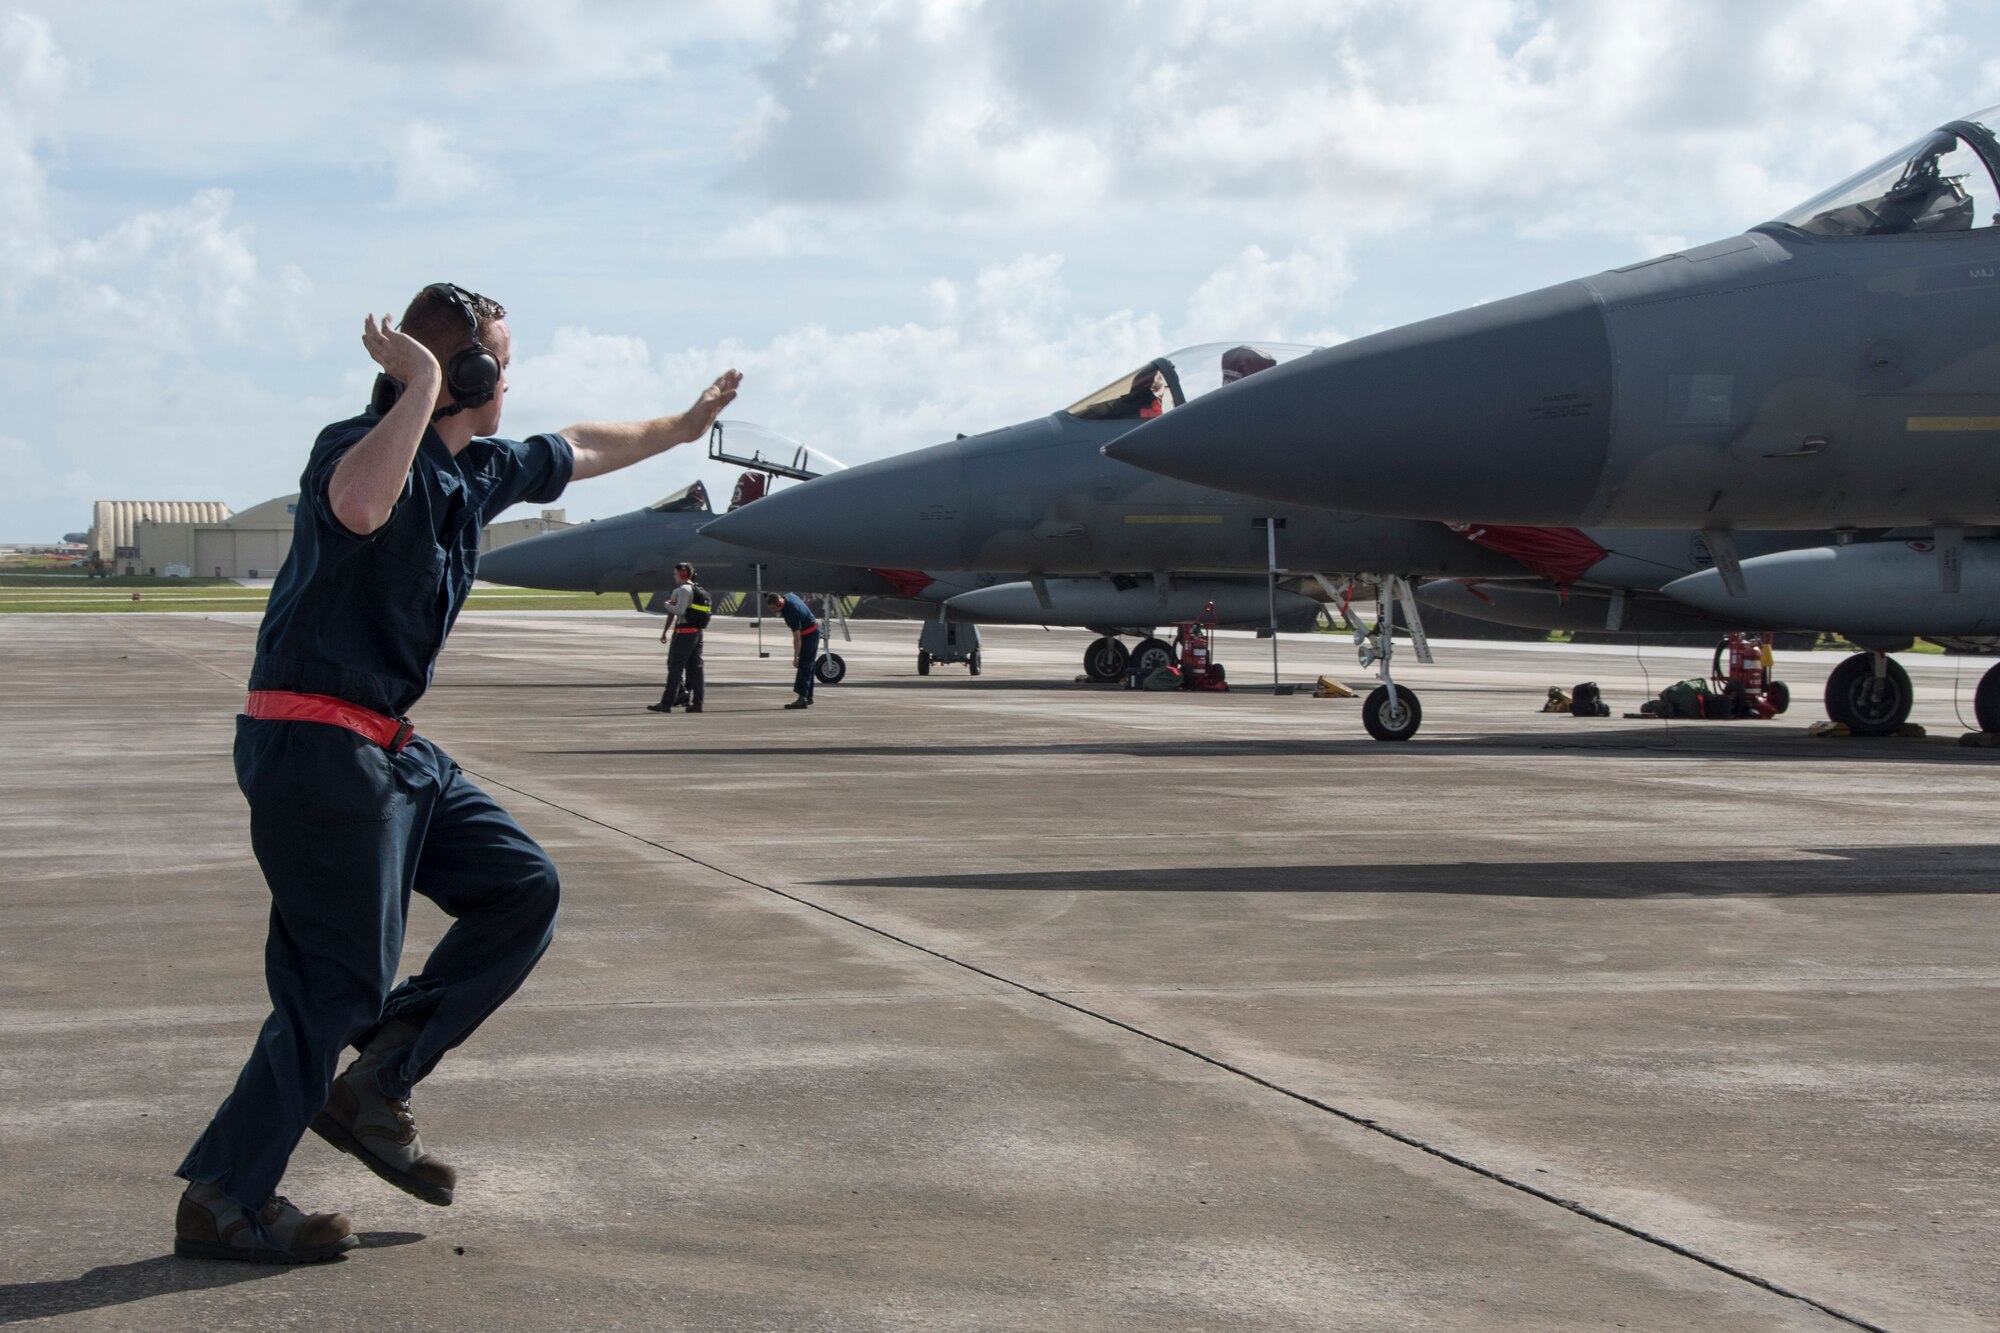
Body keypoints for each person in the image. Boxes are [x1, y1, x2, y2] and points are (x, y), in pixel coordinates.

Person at [172, 282, 739, 1263]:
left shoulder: (477, 472)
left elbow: (584, 444)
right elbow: (358, 503)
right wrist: (421, 382)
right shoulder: (351, 449)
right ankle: (226, 1195)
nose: (508, 385)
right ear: (464, 374)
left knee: (520, 885)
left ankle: (378, 1080)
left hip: (387, 747)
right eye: (499, 368)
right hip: (316, 743)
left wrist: (683, 427)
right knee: (333, 986)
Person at [648, 561, 708, 714]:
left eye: (675, 574)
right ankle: (698, 703)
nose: (674, 577)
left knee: (675, 667)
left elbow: (679, 610)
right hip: (697, 633)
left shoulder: (682, 590)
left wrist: (667, 604)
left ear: (683, 574)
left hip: (684, 632)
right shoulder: (697, 589)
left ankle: (666, 703)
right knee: (697, 668)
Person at [766, 591, 820, 709]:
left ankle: (802, 698)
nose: (774, 611)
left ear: (779, 603)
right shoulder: (789, 596)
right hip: (812, 631)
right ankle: (808, 696)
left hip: (810, 635)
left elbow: (797, 638)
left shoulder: (791, 613)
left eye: (774, 608)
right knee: (809, 665)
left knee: (803, 665)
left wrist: (796, 657)